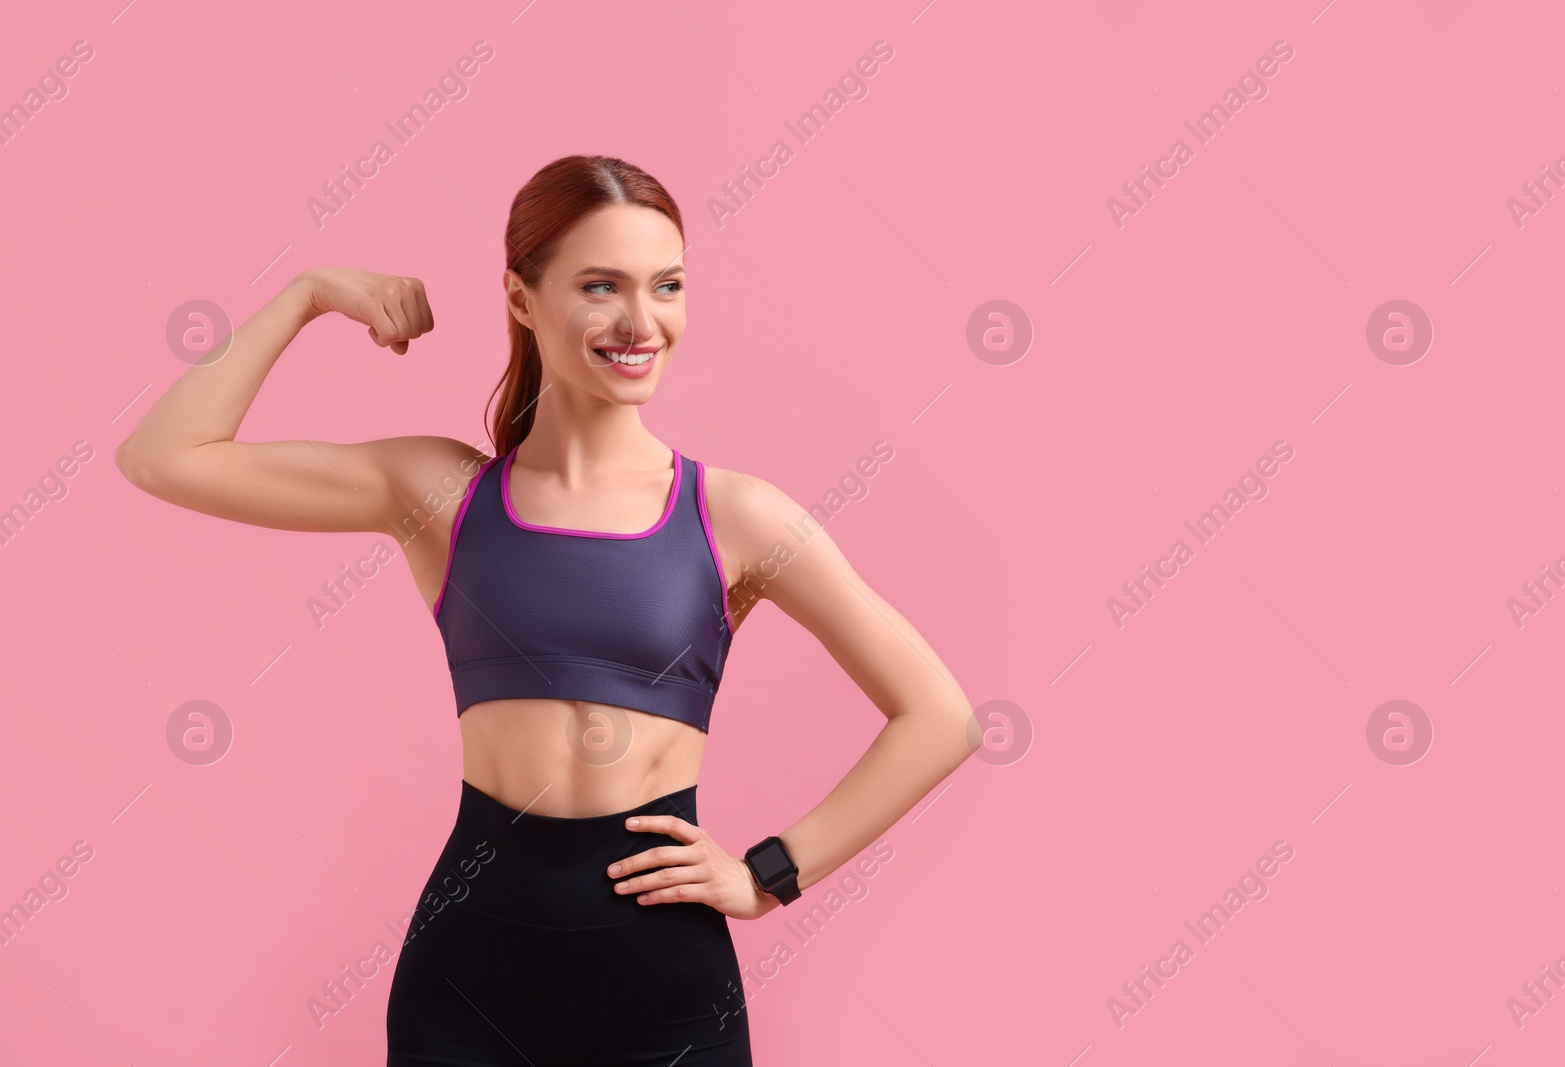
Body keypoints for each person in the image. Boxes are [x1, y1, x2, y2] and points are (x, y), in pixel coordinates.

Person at [115, 154, 975, 1065]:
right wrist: (307, 292)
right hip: (471, 974)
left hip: (664, 985)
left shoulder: (736, 515)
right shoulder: (442, 494)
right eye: (600, 286)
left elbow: (941, 718)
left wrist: (768, 873)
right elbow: (164, 455)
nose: (642, 322)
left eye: (668, 285)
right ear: (522, 299)